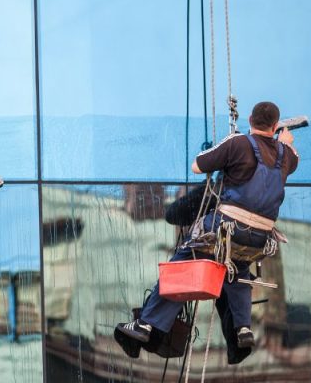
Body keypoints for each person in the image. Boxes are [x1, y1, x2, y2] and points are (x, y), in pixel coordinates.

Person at [116, 101, 298, 353]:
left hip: (226, 226)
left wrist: (228, 147)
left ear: (249, 119)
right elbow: (288, 154)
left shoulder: (238, 143)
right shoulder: (286, 154)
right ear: (276, 126)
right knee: (238, 270)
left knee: (182, 264)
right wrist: (285, 141)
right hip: (259, 238)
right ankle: (243, 328)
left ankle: (147, 324)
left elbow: (197, 165)